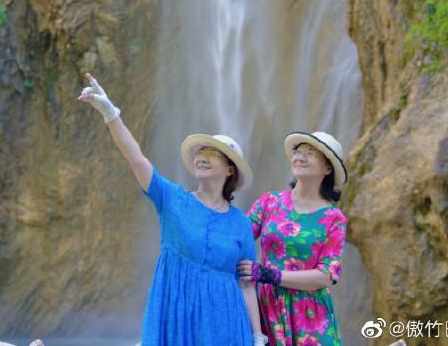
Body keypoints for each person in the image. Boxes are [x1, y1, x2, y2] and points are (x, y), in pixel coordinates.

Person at [78, 73, 268, 346]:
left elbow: (246, 283)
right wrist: (111, 114)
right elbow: (137, 160)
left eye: (212, 154)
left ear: (230, 170)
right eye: (200, 152)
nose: (202, 157)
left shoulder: (240, 223)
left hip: (227, 326)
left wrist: (257, 335)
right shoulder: (172, 199)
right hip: (178, 320)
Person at [237, 131, 348, 346]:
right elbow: (237, 238)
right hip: (267, 308)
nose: (300, 157)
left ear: (327, 168)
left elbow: (326, 275)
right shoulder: (270, 202)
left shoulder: (334, 219)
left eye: (310, 153)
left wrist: (271, 275)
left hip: (309, 314)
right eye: (298, 151)